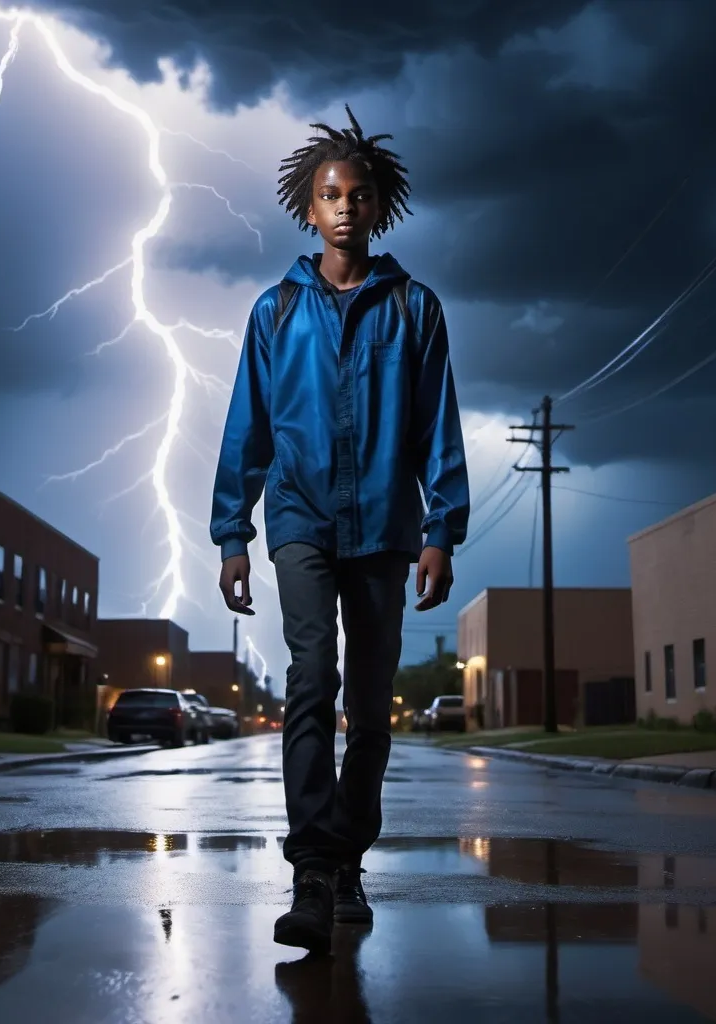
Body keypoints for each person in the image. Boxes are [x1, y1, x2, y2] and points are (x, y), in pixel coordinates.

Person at [210, 105, 469, 954]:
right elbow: (246, 425)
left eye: (358, 194)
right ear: (308, 209)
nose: (345, 206)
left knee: (370, 706)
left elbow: (439, 427)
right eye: (329, 194)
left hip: (387, 526)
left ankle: (348, 859)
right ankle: (314, 869)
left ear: (378, 205)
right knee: (312, 678)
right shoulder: (274, 313)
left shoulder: (414, 309)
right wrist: (232, 536)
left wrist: (443, 529)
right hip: (299, 518)